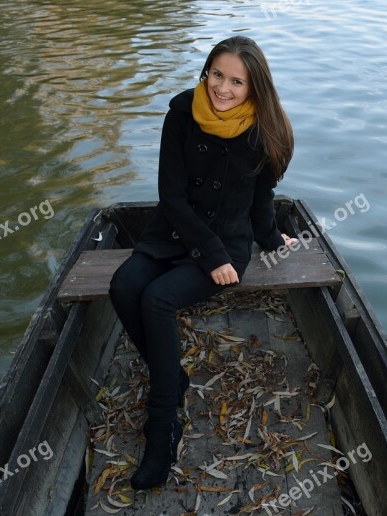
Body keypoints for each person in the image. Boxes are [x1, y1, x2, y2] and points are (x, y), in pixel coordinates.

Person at [108, 35, 297, 490]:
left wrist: (270, 240)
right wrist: (206, 254)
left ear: (255, 88)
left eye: (237, 81)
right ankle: (173, 374)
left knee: (157, 299)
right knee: (123, 285)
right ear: (205, 72)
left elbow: (260, 200)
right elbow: (171, 196)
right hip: (172, 235)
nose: (223, 89)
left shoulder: (263, 132)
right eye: (217, 75)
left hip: (227, 248)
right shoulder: (180, 113)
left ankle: (163, 427)